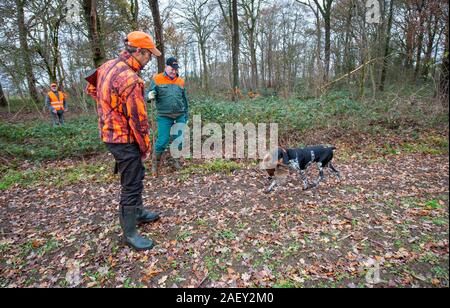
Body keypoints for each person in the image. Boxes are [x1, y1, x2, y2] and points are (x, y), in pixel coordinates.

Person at [85, 31, 162, 251]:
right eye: (148, 55)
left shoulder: (108, 65)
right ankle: (130, 234)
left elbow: (91, 88)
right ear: (138, 51)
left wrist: (108, 107)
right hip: (122, 138)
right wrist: (146, 148)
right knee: (131, 182)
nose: (149, 60)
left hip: (110, 133)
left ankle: (138, 213)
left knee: (136, 174)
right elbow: (139, 121)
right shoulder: (131, 80)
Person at [148, 57, 189, 176]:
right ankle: (155, 164)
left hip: (180, 114)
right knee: (162, 140)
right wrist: (149, 95)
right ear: (166, 67)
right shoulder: (157, 79)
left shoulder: (180, 81)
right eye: (172, 68)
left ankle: (175, 160)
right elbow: (148, 94)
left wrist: (186, 116)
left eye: (176, 69)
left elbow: (185, 100)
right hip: (164, 116)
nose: (174, 71)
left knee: (179, 140)